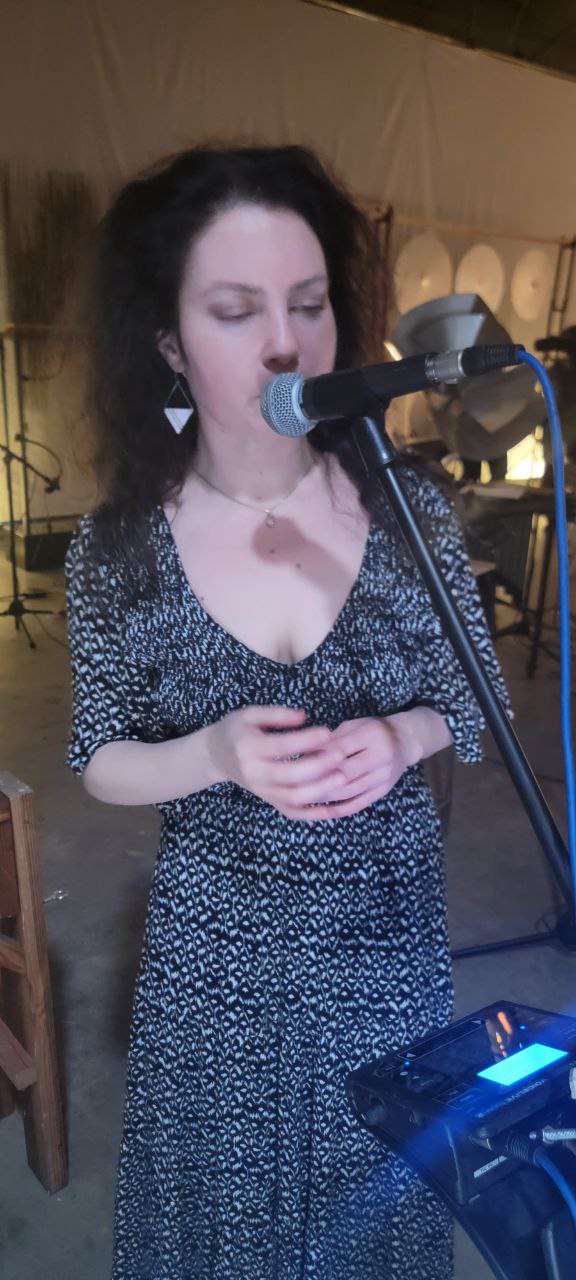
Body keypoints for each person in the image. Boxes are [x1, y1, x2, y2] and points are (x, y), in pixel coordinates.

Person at [65, 145, 508, 1280]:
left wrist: (404, 735)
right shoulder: (118, 548)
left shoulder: (407, 510)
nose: (286, 345)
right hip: (214, 966)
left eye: (308, 305)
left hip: (386, 953)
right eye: (235, 310)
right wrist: (215, 751)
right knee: (224, 1231)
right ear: (168, 340)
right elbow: (101, 758)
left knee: (376, 1226)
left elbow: (478, 696)